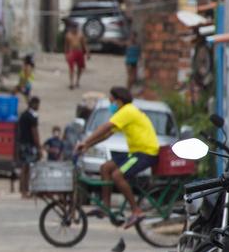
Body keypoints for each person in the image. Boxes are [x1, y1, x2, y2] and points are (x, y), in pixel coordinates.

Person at [74, 86, 159, 228]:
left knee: (117, 175)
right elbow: (108, 134)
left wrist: (85, 141)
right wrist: (88, 145)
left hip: (145, 153)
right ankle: (105, 207)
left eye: (111, 100)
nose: (110, 104)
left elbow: (105, 127)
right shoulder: (125, 112)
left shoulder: (128, 111)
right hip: (135, 152)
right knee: (105, 168)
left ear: (119, 101)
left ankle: (136, 210)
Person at [16, 96, 41, 197]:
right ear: (34, 104)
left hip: (22, 144)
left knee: (24, 168)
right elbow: (34, 132)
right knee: (27, 168)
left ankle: (23, 189)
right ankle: (25, 191)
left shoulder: (23, 115)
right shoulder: (32, 117)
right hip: (29, 145)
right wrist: (39, 146)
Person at [64, 23, 88, 89]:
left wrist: (87, 53)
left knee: (80, 68)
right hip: (71, 52)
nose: (74, 30)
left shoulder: (81, 35)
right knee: (71, 68)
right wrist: (66, 54)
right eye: (73, 28)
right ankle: (71, 83)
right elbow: (66, 45)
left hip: (79, 52)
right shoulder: (68, 35)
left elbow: (84, 44)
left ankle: (77, 81)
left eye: (75, 28)